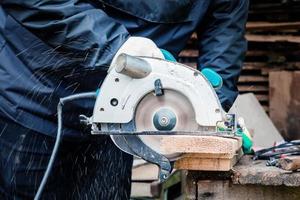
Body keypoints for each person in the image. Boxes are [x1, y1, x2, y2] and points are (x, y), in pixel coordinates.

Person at [0, 0, 249, 199]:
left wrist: (212, 112)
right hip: (33, 98)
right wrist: (115, 47)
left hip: (124, 119)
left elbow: (224, 37)